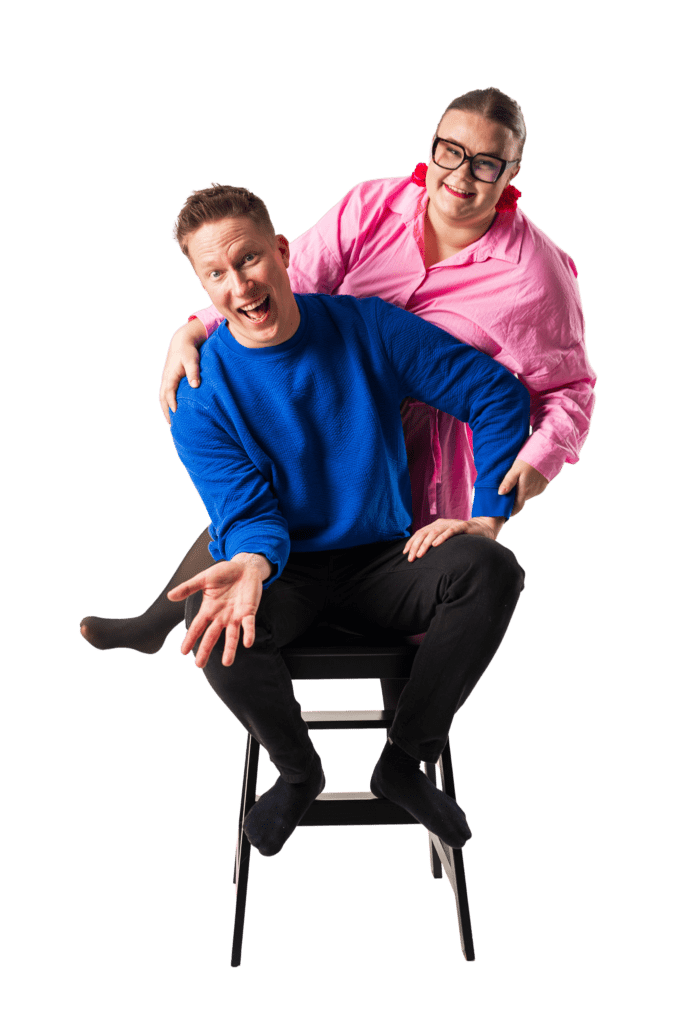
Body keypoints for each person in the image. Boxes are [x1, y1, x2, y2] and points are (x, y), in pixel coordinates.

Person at [80, 86, 595, 656]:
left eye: (486, 163)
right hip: (345, 405)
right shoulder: (372, 206)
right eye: (450, 151)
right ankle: (157, 622)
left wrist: (533, 465)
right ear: (432, 146)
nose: (461, 175)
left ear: (512, 171)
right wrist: (196, 328)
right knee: (262, 510)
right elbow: (283, 274)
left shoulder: (536, 273)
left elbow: (570, 388)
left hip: (433, 451)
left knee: (414, 616)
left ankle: (409, 720)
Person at [162, 182, 528, 857]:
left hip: (383, 560)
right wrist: (251, 561)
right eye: (215, 273)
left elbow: (494, 393)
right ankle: (299, 773)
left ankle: (404, 763)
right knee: (211, 622)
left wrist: (486, 518)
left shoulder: (366, 327)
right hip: (285, 572)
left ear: (282, 252)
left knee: (490, 569)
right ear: (201, 284)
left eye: (248, 259)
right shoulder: (198, 394)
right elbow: (247, 511)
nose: (238, 285)